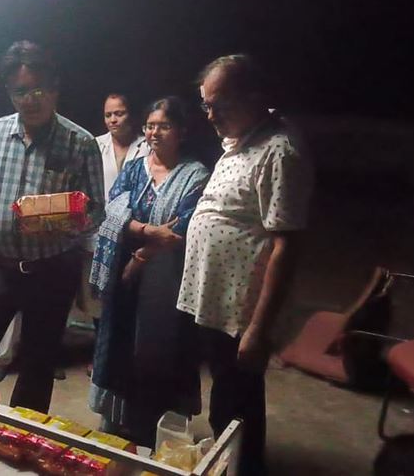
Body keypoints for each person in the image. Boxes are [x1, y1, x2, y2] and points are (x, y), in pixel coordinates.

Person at [0, 40, 105, 412]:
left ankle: (16, 441)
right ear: (9, 92)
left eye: (38, 90)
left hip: (52, 270)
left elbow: (96, 209)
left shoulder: (80, 143)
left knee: (38, 365)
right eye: (20, 92)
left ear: (54, 89)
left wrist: (64, 223)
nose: (30, 100)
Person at [176, 54, 313, 476]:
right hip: (218, 305)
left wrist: (258, 329)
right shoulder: (241, 140)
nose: (211, 116)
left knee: (239, 406)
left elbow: (286, 244)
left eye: (220, 105)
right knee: (226, 396)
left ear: (254, 97)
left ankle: (244, 468)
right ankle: (228, 463)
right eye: (206, 105)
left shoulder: (280, 152)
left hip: (242, 314)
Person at [89, 96, 210, 447]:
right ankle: (117, 422)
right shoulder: (134, 168)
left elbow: (182, 228)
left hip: (168, 278)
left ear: (182, 131)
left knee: (159, 349)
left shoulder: (195, 175)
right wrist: (146, 230)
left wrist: (140, 256)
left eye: (164, 126)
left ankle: (153, 427)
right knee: (120, 344)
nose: (155, 133)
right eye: (150, 126)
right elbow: (113, 210)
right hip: (123, 276)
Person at [76, 94, 150, 377]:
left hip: (133, 230)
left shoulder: (146, 145)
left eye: (119, 113)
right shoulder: (95, 145)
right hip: (97, 231)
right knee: (97, 297)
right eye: (108, 115)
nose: (113, 120)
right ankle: (100, 353)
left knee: (127, 294)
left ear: (132, 115)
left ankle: (125, 355)